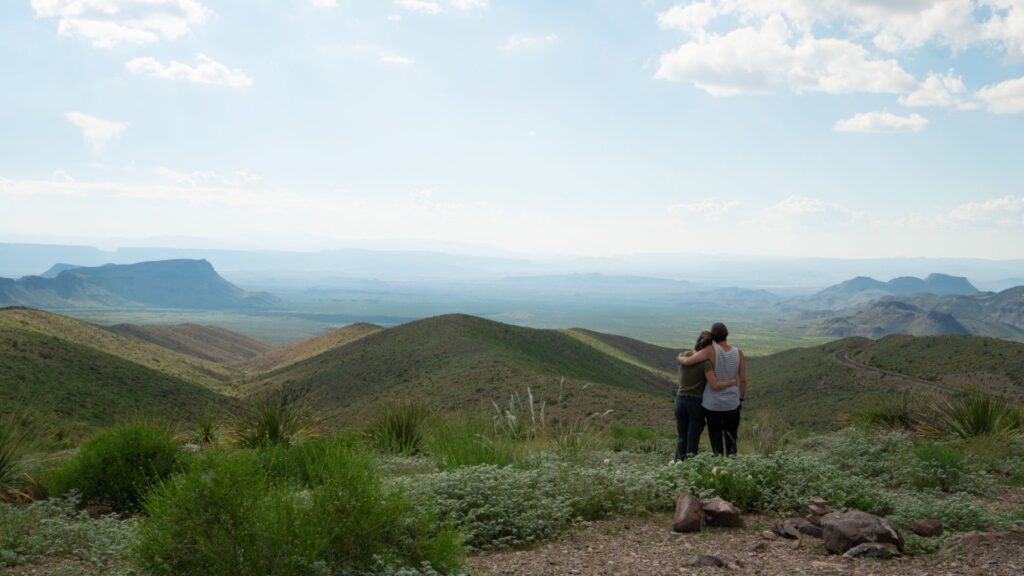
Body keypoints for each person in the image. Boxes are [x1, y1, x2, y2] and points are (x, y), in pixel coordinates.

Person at [677, 322, 746, 456]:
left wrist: (679, 357)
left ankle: (718, 470)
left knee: (715, 441)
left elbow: (688, 362)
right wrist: (741, 398)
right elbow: (743, 380)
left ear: (713, 336)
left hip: (712, 405)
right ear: (727, 335)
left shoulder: (710, 350)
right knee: (731, 439)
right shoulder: (739, 353)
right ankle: (732, 469)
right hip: (732, 403)